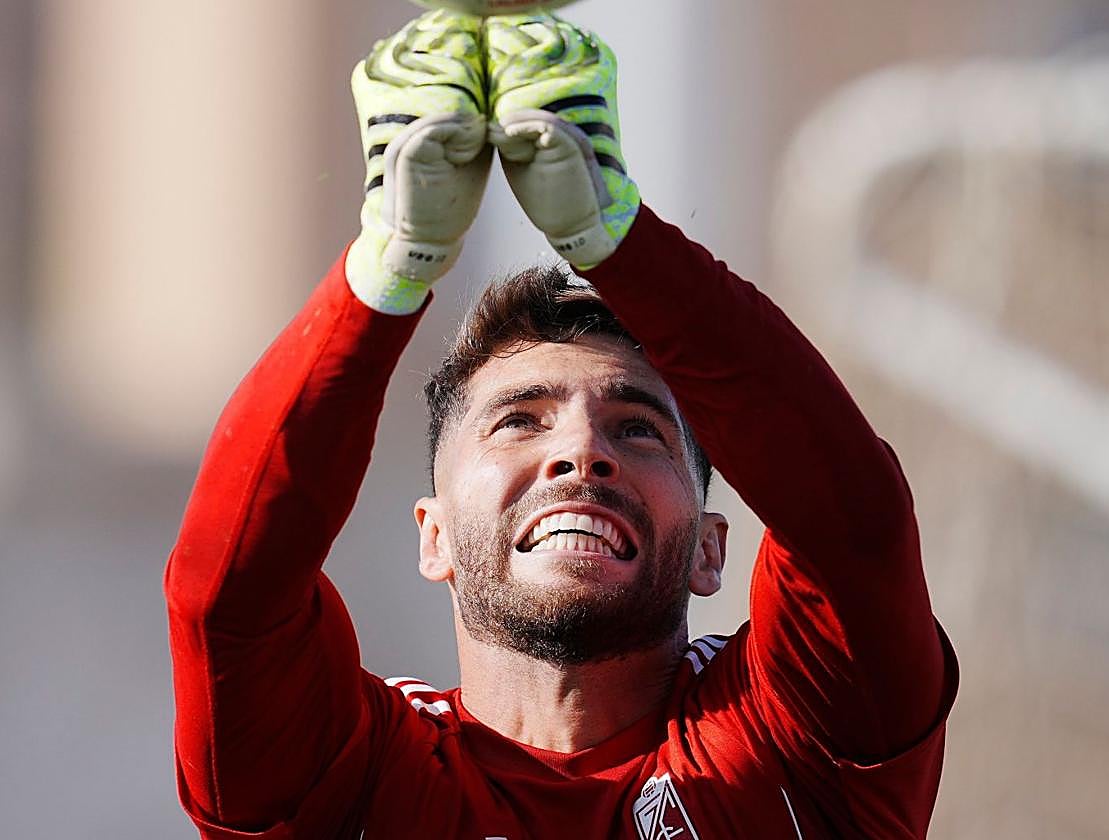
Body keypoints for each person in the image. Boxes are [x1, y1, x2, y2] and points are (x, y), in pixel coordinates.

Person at [165, 10, 957, 839]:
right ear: (432, 537)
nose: (581, 452)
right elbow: (227, 597)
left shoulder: (798, 737)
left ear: (711, 548)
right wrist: (388, 269)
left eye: (639, 429)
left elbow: (853, 525)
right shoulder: (352, 772)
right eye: (519, 422)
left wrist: (615, 238)